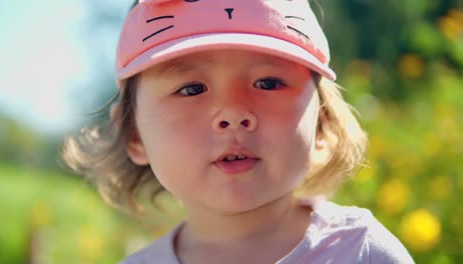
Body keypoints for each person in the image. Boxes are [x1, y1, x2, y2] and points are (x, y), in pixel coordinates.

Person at [63, 0, 415, 263]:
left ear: (321, 121)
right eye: (191, 89)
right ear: (134, 135)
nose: (233, 113)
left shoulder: (361, 253)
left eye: (268, 82)